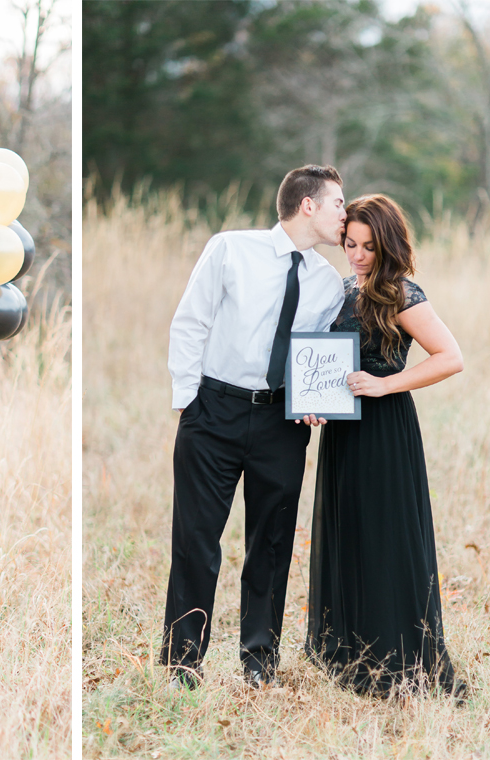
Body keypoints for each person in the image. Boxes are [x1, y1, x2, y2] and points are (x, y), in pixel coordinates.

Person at [162, 165, 347, 688]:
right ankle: (183, 664)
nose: (344, 212)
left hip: (282, 422)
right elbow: (191, 320)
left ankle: (259, 660)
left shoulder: (328, 283)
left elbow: (317, 359)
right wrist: (187, 401)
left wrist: (318, 400)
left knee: (271, 541)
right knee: (196, 538)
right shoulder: (229, 249)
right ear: (307, 205)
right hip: (213, 410)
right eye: (338, 202)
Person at [306, 194, 467, 701]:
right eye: (349, 243)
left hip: (385, 429)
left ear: (388, 244)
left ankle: (397, 659)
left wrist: (384, 385)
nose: (356, 254)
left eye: (368, 246)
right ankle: (350, 652)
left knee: (384, 536)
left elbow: (450, 357)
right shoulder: (341, 289)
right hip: (343, 432)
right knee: (347, 531)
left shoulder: (401, 292)